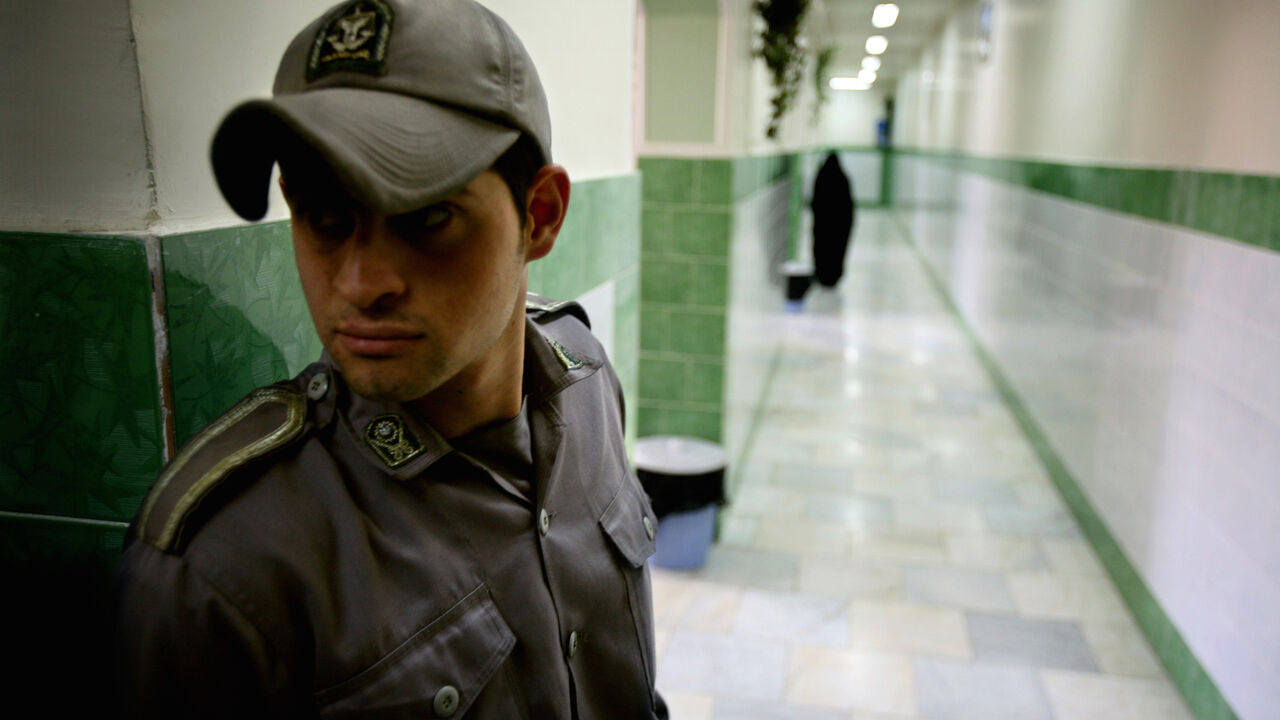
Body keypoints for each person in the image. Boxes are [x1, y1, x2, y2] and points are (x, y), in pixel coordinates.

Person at [113, 1, 667, 717]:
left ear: (540, 216)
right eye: (324, 218)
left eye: (427, 216)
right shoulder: (222, 567)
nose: (360, 284)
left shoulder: (585, 379)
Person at [810, 152, 856, 288]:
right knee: (837, 251)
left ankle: (822, 274)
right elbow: (849, 205)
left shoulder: (821, 177)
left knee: (821, 249)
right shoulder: (843, 178)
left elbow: (815, 202)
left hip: (823, 225)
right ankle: (834, 276)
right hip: (840, 226)